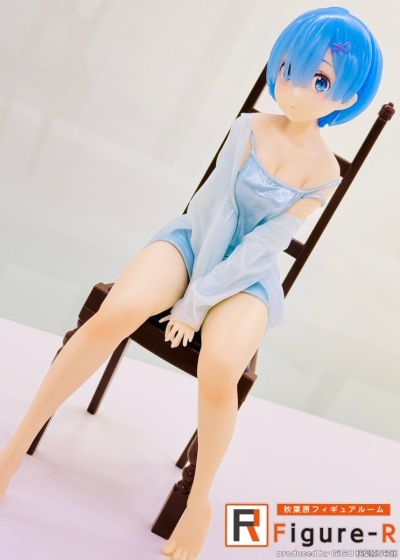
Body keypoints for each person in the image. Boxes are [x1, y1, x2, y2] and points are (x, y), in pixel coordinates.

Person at [0, 6, 383, 560]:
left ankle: (200, 500)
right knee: (115, 312)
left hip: (246, 277)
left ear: (349, 95)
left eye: (319, 80)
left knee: (222, 366)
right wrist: (187, 289)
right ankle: (16, 445)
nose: (296, 89)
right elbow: (214, 209)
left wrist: (198, 303)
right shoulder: (249, 128)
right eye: (289, 69)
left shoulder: (324, 174)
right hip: (193, 241)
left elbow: (263, 246)